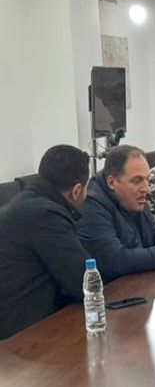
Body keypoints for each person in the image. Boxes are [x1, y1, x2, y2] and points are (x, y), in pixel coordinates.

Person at [0, 145, 91, 339]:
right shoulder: (47, 215)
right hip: (19, 339)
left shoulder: (24, 203)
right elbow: (83, 282)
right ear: (76, 191)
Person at [78, 146, 155, 282]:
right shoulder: (91, 205)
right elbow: (115, 260)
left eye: (147, 179)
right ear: (112, 182)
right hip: (111, 291)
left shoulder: (135, 198)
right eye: (137, 181)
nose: (146, 188)